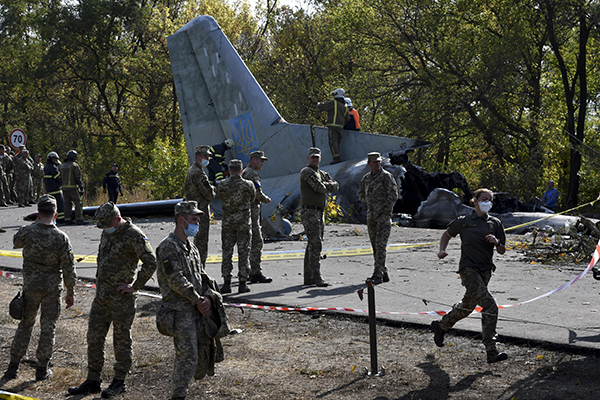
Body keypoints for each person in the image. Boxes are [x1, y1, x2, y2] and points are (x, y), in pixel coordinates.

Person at [68, 202, 157, 398]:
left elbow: (151, 262)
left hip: (121, 298)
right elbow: (103, 257)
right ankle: (93, 380)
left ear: (117, 219)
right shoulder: (107, 230)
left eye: (107, 224)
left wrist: (135, 286)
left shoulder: (134, 234)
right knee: (94, 337)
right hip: (102, 296)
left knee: (121, 339)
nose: (104, 228)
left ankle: (119, 381)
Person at [155, 200, 227, 400]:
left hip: (195, 310)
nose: (198, 223)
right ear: (181, 220)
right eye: (194, 219)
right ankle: (178, 396)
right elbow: (176, 279)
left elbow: (200, 276)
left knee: (199, 356)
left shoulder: (190, 247)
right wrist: (198, 300)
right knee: (187, 358)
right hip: (179, 313)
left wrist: (208, 297)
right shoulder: (168, 247)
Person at [3, 194, 76, 381]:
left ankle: (13, 367)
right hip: (52, 289)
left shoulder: (28, 232)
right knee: (48, 327)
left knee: (25, 325)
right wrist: (70, 292)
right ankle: (42, 369)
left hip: (31, 287)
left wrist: (32, 225)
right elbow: (69, 267)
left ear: (38, 213)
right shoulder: (62, 237)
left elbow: (15, 242)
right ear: (56, 215)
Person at [430, 188, 508, 364]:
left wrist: (497, 243)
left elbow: (502, 250)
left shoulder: (495, 223)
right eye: (484, 199)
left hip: (486, 271)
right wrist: (442, 250)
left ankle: (441, 326)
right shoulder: (464, 221)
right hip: (468, 269)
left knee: (468, 306)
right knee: (490, 305)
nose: (487, 202)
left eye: (490, 200)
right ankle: (491, 350)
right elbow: (447, 234)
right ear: (475, 201)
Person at [300, 147, 339, 286]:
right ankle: (316, 276)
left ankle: (308, 276)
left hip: (319, 211)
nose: (315, 159)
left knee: (313, 243)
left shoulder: (322, 173)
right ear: (308, 158)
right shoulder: (307, 172)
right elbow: (319, 188)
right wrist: (327, 185)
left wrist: (327, 185)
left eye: (317, 157)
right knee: (316, 243)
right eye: (312, 157)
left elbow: (336, 186)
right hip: (309, 211)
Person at [358, 152, 398, 284]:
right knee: (375, 246)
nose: (377, 164)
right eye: (374, 162)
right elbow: (361, 193)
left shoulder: (386, 176)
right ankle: (383, 271)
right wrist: (369, 200)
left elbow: (393, 195)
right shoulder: (366, 178)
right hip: (371, 216)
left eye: (378, 161)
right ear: (369, 164)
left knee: (381, 245)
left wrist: (385, 210)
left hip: (383, 217)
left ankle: (377, 275)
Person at [218, 159, 255, 294]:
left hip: (228, 222)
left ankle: (227, 283)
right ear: (241, 170)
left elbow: (221, 197)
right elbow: (252, 198)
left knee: (227, 252)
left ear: (229, 170)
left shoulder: (222, 185)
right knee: (243, 252)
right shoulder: (248, 185)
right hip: (243, 223)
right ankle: (242, 283)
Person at [242, 150, 273, 284]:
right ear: (253, 160)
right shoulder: (252, 174)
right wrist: (266, 199)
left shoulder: (244, 172)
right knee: (256, 242)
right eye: (260, 160)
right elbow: (257, 193)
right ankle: (255, 272)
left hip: (247, 213)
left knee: (248, 243)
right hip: (252, 214)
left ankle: (248, 271)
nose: (262, 164)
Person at [184, 145, 216, 265]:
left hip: (193, 211)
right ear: (198, 157)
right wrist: (213, 189)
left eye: (208, 156)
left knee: (197, 242)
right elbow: (209, 194)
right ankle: (199, 270)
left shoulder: (193, 170)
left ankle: (196, 268)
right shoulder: (199, 173)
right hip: (200, 212)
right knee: (201, 244)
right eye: (205, 156)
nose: (207, 158)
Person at [317, 88, 349, 164]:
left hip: (333, 126)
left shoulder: (333, 103)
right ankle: (337, 157)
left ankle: (336, 158)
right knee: (337, 142)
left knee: (333, 142)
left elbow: (323, 107)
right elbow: (347, 118)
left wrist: (318, 104)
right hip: (340, 127)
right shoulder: (345, 106)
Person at [61, 150, 85, 224]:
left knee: (67, 204)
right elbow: (77, 177)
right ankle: (79, 218)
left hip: (64, 188)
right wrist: (81, 187)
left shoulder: (62, 166)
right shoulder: (74, 165)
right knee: (78, 202)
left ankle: (67, 219)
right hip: (73, 188)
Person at [43, 151, 65, 223]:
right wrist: (61, 184)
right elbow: (57, 177)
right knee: (60, 204)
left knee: (52, 205)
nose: (55, 160)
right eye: (54, 159)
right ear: (50, 159)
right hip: (56, 189)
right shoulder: (53, 167)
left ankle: (53, 218)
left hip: (49, 190)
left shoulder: (46, 166)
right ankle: (61, 219)